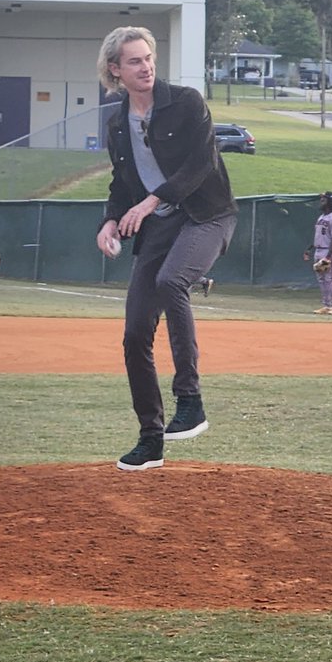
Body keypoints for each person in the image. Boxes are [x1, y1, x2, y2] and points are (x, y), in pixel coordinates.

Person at [95, 26, 237, 471]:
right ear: (115, 70)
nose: (146, 67)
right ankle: (150, 438)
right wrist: (108, 221)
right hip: (159, 228)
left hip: (206, 214)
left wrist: (153, 200)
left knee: (172, 280)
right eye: (134, 61)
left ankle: (190, 401)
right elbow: (121, 183)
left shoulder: (188, 103)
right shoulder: (118, 121)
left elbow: (201, 164)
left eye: (149, 58)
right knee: (135, 332)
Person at [304, 191, 332, 314]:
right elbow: (318, 236)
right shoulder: (321, 218)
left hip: (328, 250)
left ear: (330, 202)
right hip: (318, 249)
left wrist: (328, 257)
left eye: (324, 200)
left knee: (330, 279)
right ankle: (327, 305)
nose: (321, 202)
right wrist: (309, 249)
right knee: (321, 280)